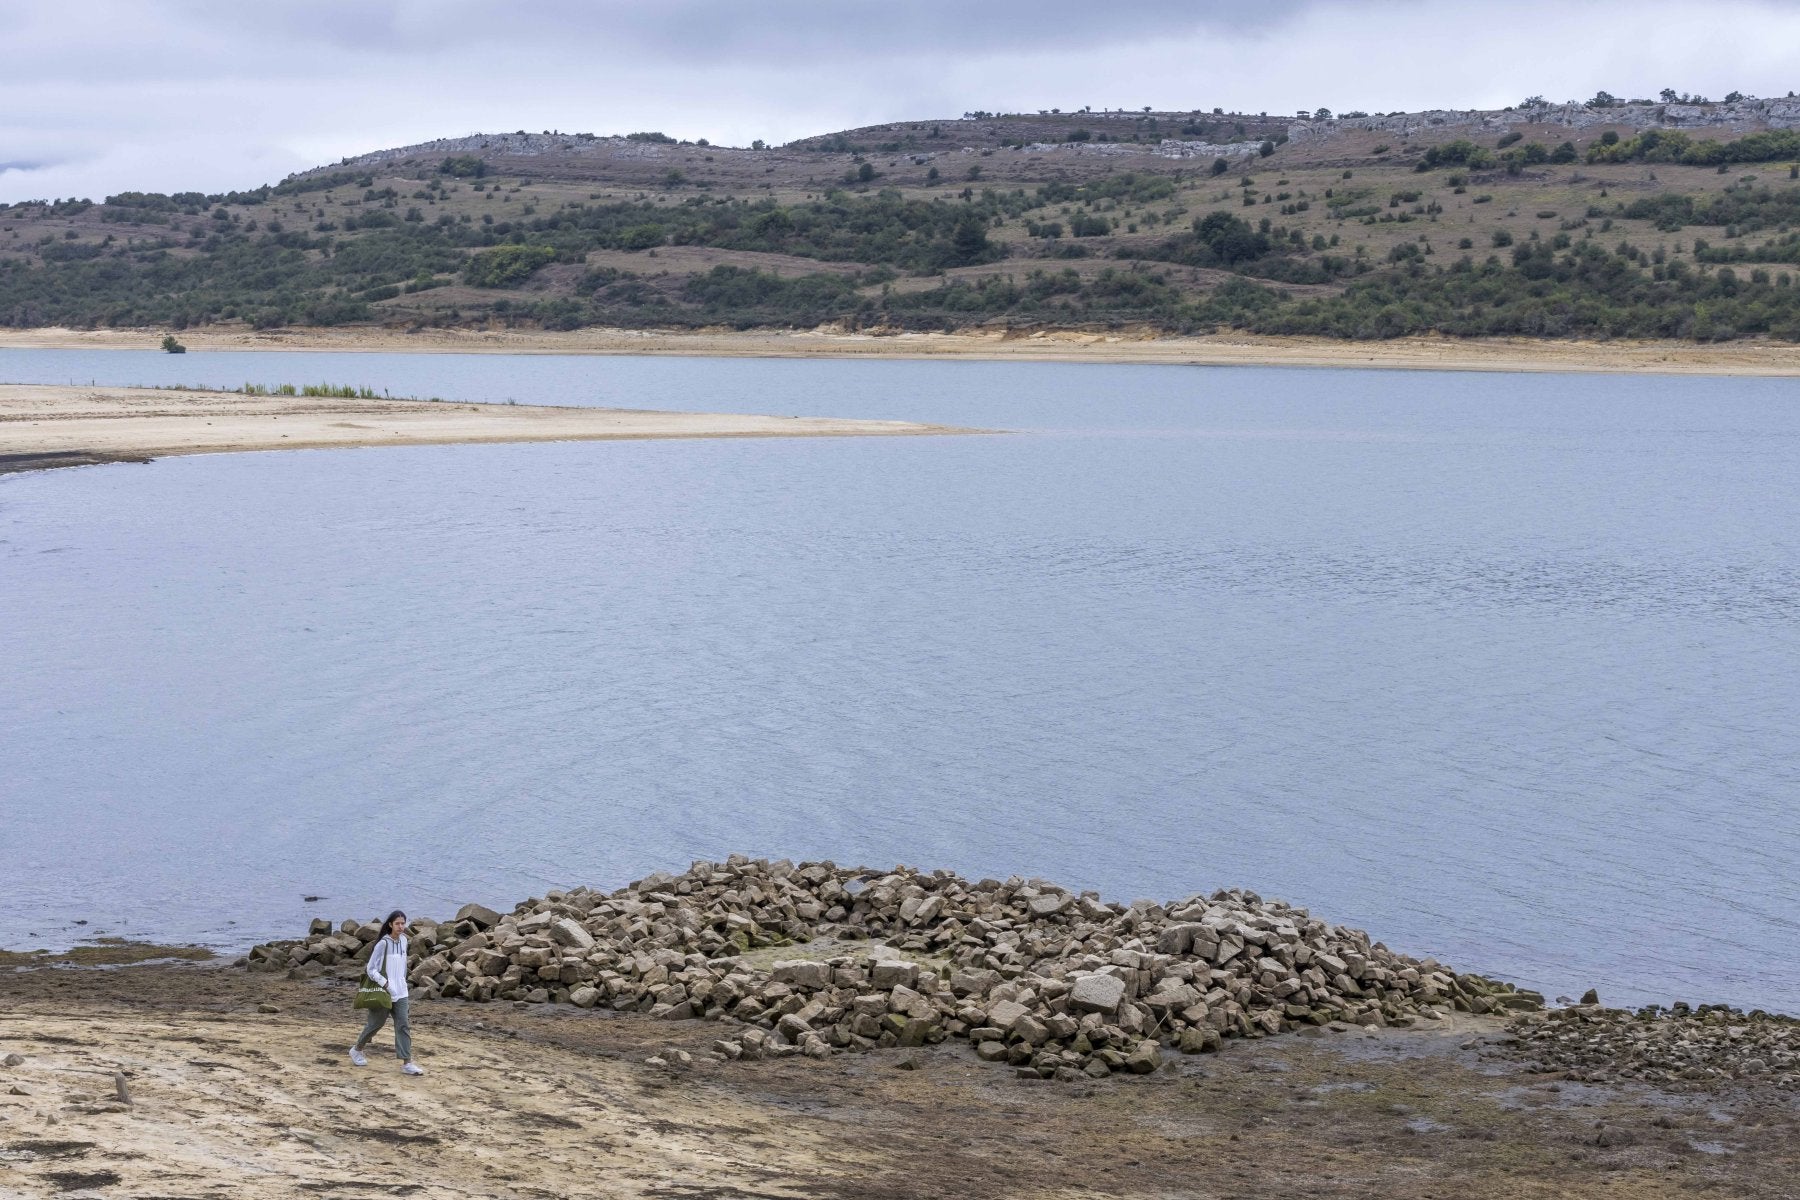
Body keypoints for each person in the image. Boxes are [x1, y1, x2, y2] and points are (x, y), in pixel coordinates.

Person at [349, 909, 424, 1075]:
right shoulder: (383, 944)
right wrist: (385, 983)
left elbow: (402, 964)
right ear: (390, 924)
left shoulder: (404, 941)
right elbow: (370, 969)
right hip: (385, 991)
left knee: (403, 1025)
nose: (401, 926)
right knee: (375, 1024)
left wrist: (403, 981)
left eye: (403, 923)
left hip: (401, 992)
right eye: (397, 923)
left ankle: (407, 1063)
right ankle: (357, 1049)